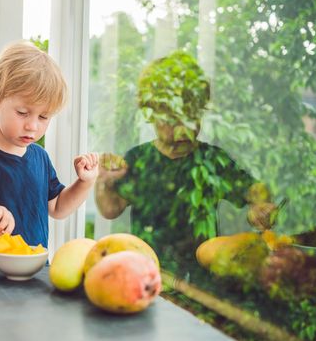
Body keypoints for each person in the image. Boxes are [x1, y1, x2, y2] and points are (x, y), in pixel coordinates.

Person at [95, 51, 279, 267]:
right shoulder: (139, 159)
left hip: (203, 275)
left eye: (192, 116)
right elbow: (110, 209)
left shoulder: (212, 160)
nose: (183, 129)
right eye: (173, 119)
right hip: (149, 270)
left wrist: (260, 208)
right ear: (153, 114)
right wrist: (105, 182)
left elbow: (253, 191)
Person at [0, 41, 99, 265]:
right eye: (23, 112)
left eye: (43, 117)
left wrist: (85, 183)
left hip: (35, 271)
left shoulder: (40, 157)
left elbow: (58, 207)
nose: (33, 126)